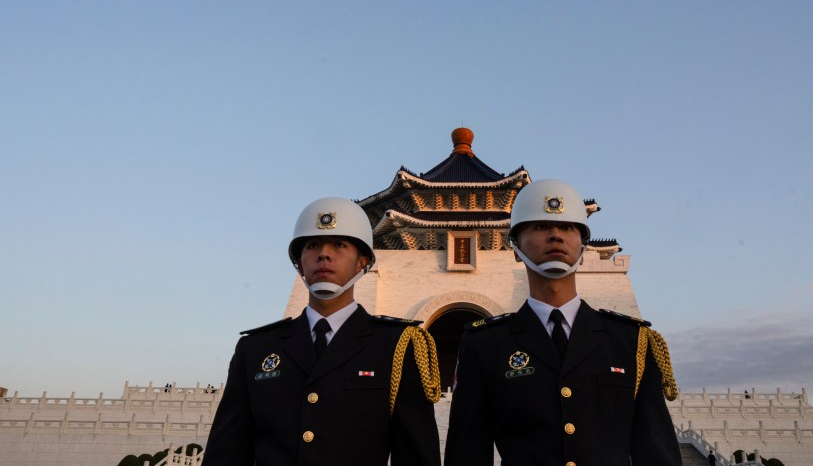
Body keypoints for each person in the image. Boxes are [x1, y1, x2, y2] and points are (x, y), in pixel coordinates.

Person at [444, 179, 682, 466]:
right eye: (540, 226)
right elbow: (466, 453)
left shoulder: (632, 342)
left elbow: (656, 451)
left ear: (583, 247)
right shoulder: (485, 345)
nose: (555, 235)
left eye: (568, 227)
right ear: (516, 248)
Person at [205, 197, 441, 465]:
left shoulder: (397, 346)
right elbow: (226, 453)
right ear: (299, 262)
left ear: (363, 262)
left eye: (339, 245)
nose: (324, 254)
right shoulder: (256, 349)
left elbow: (416, 455)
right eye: (312, 245)